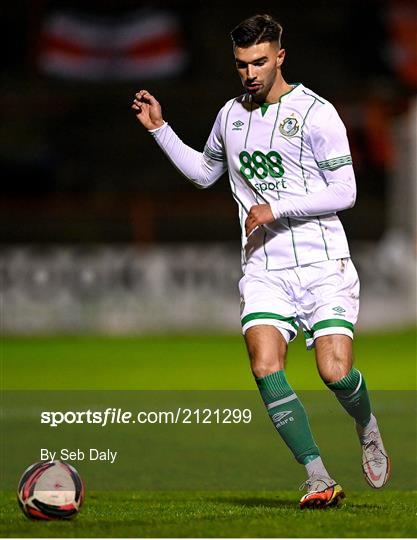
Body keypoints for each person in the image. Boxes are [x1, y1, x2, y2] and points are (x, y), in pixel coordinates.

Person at [131, 13, 390, 509]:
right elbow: (206, 173)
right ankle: (318, 477)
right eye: (241, 64)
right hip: (264, 268)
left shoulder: (317, 113)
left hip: (322, 264)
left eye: (259, 62)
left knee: (335, 373)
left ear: (280, 57)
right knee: (264, 364)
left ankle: (366, 423)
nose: (249, 72)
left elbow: (346, 190)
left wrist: (277, 208)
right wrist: (161, 129)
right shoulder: (230, 116)